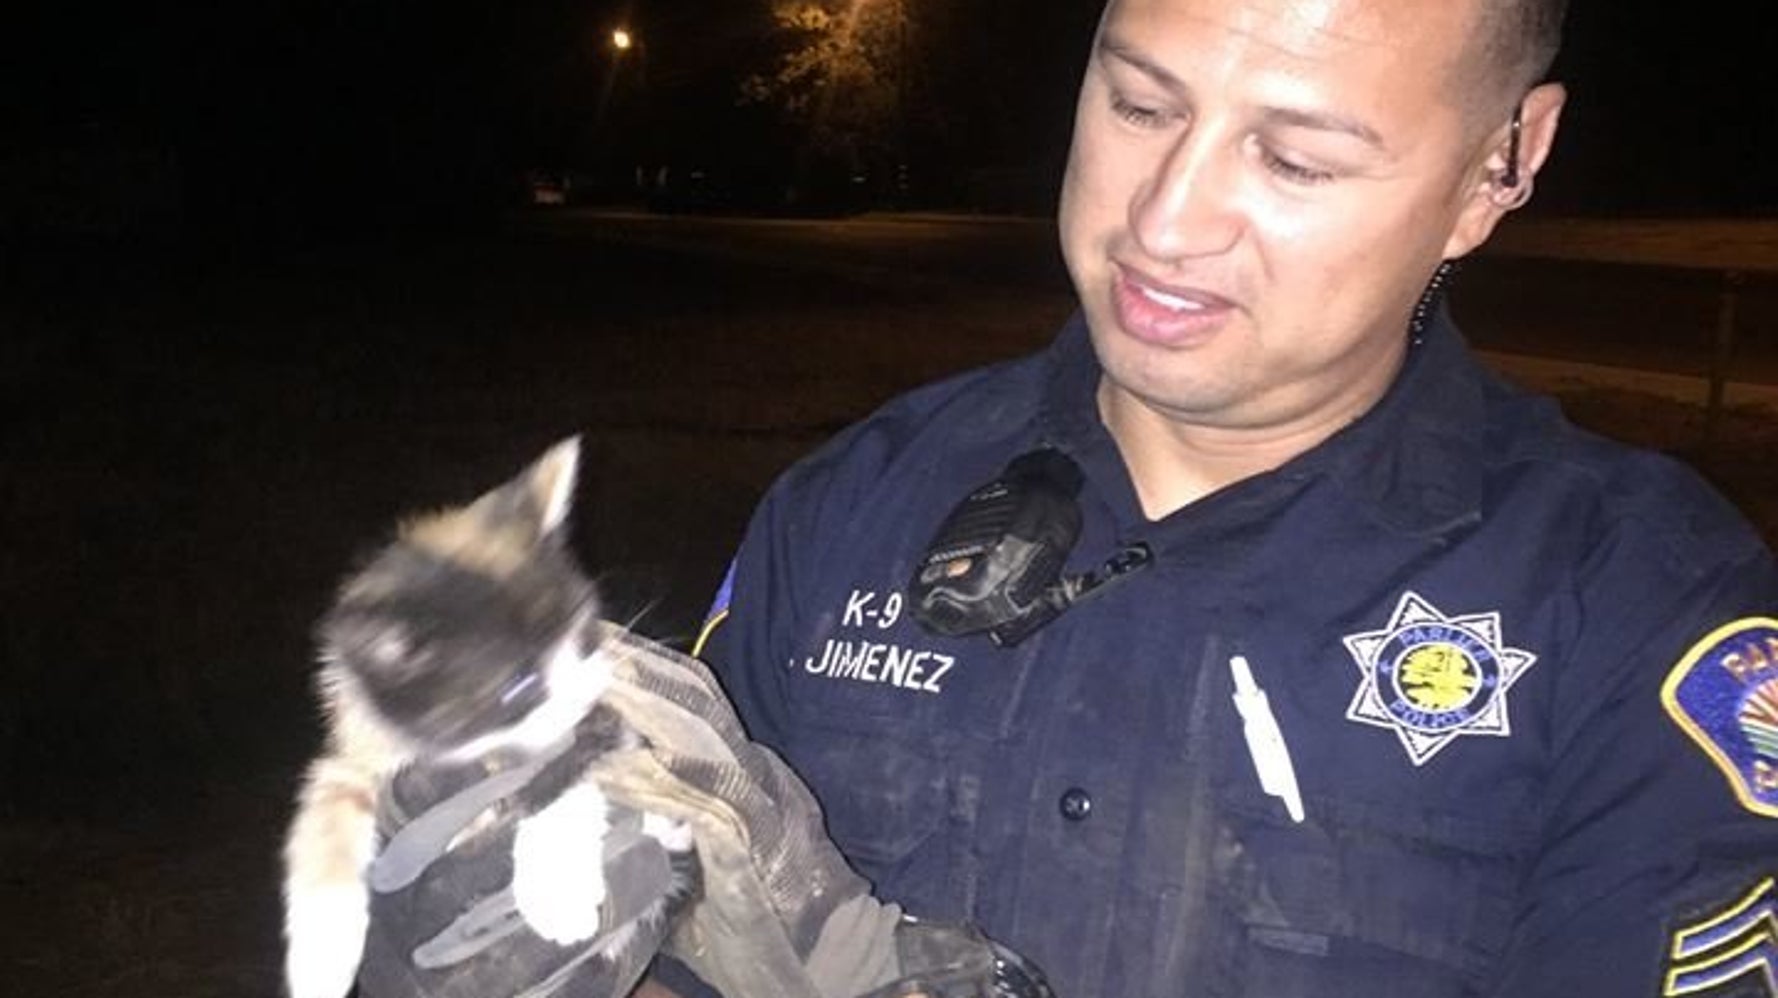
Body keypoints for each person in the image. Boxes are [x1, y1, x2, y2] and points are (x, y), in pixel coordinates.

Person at [367, 0, 1778, 995]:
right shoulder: (848, 505)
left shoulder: (1640, 609)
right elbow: (686, 947)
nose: (1162, 219)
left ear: (1501, 166)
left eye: (1293, 158)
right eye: (1137, 100)